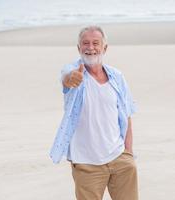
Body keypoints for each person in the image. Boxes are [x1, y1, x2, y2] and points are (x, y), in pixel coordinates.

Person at [49, 25, 138, 200]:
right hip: (86, 164)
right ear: (78, 48)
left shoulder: (117, 77)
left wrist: (128, 153)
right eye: (85, 43)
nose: (90, 48)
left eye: (96, 43)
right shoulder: (73, 72)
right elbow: (66, 79)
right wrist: (71, 79)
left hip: (119, 157)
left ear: (105, 48)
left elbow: (127, 115)